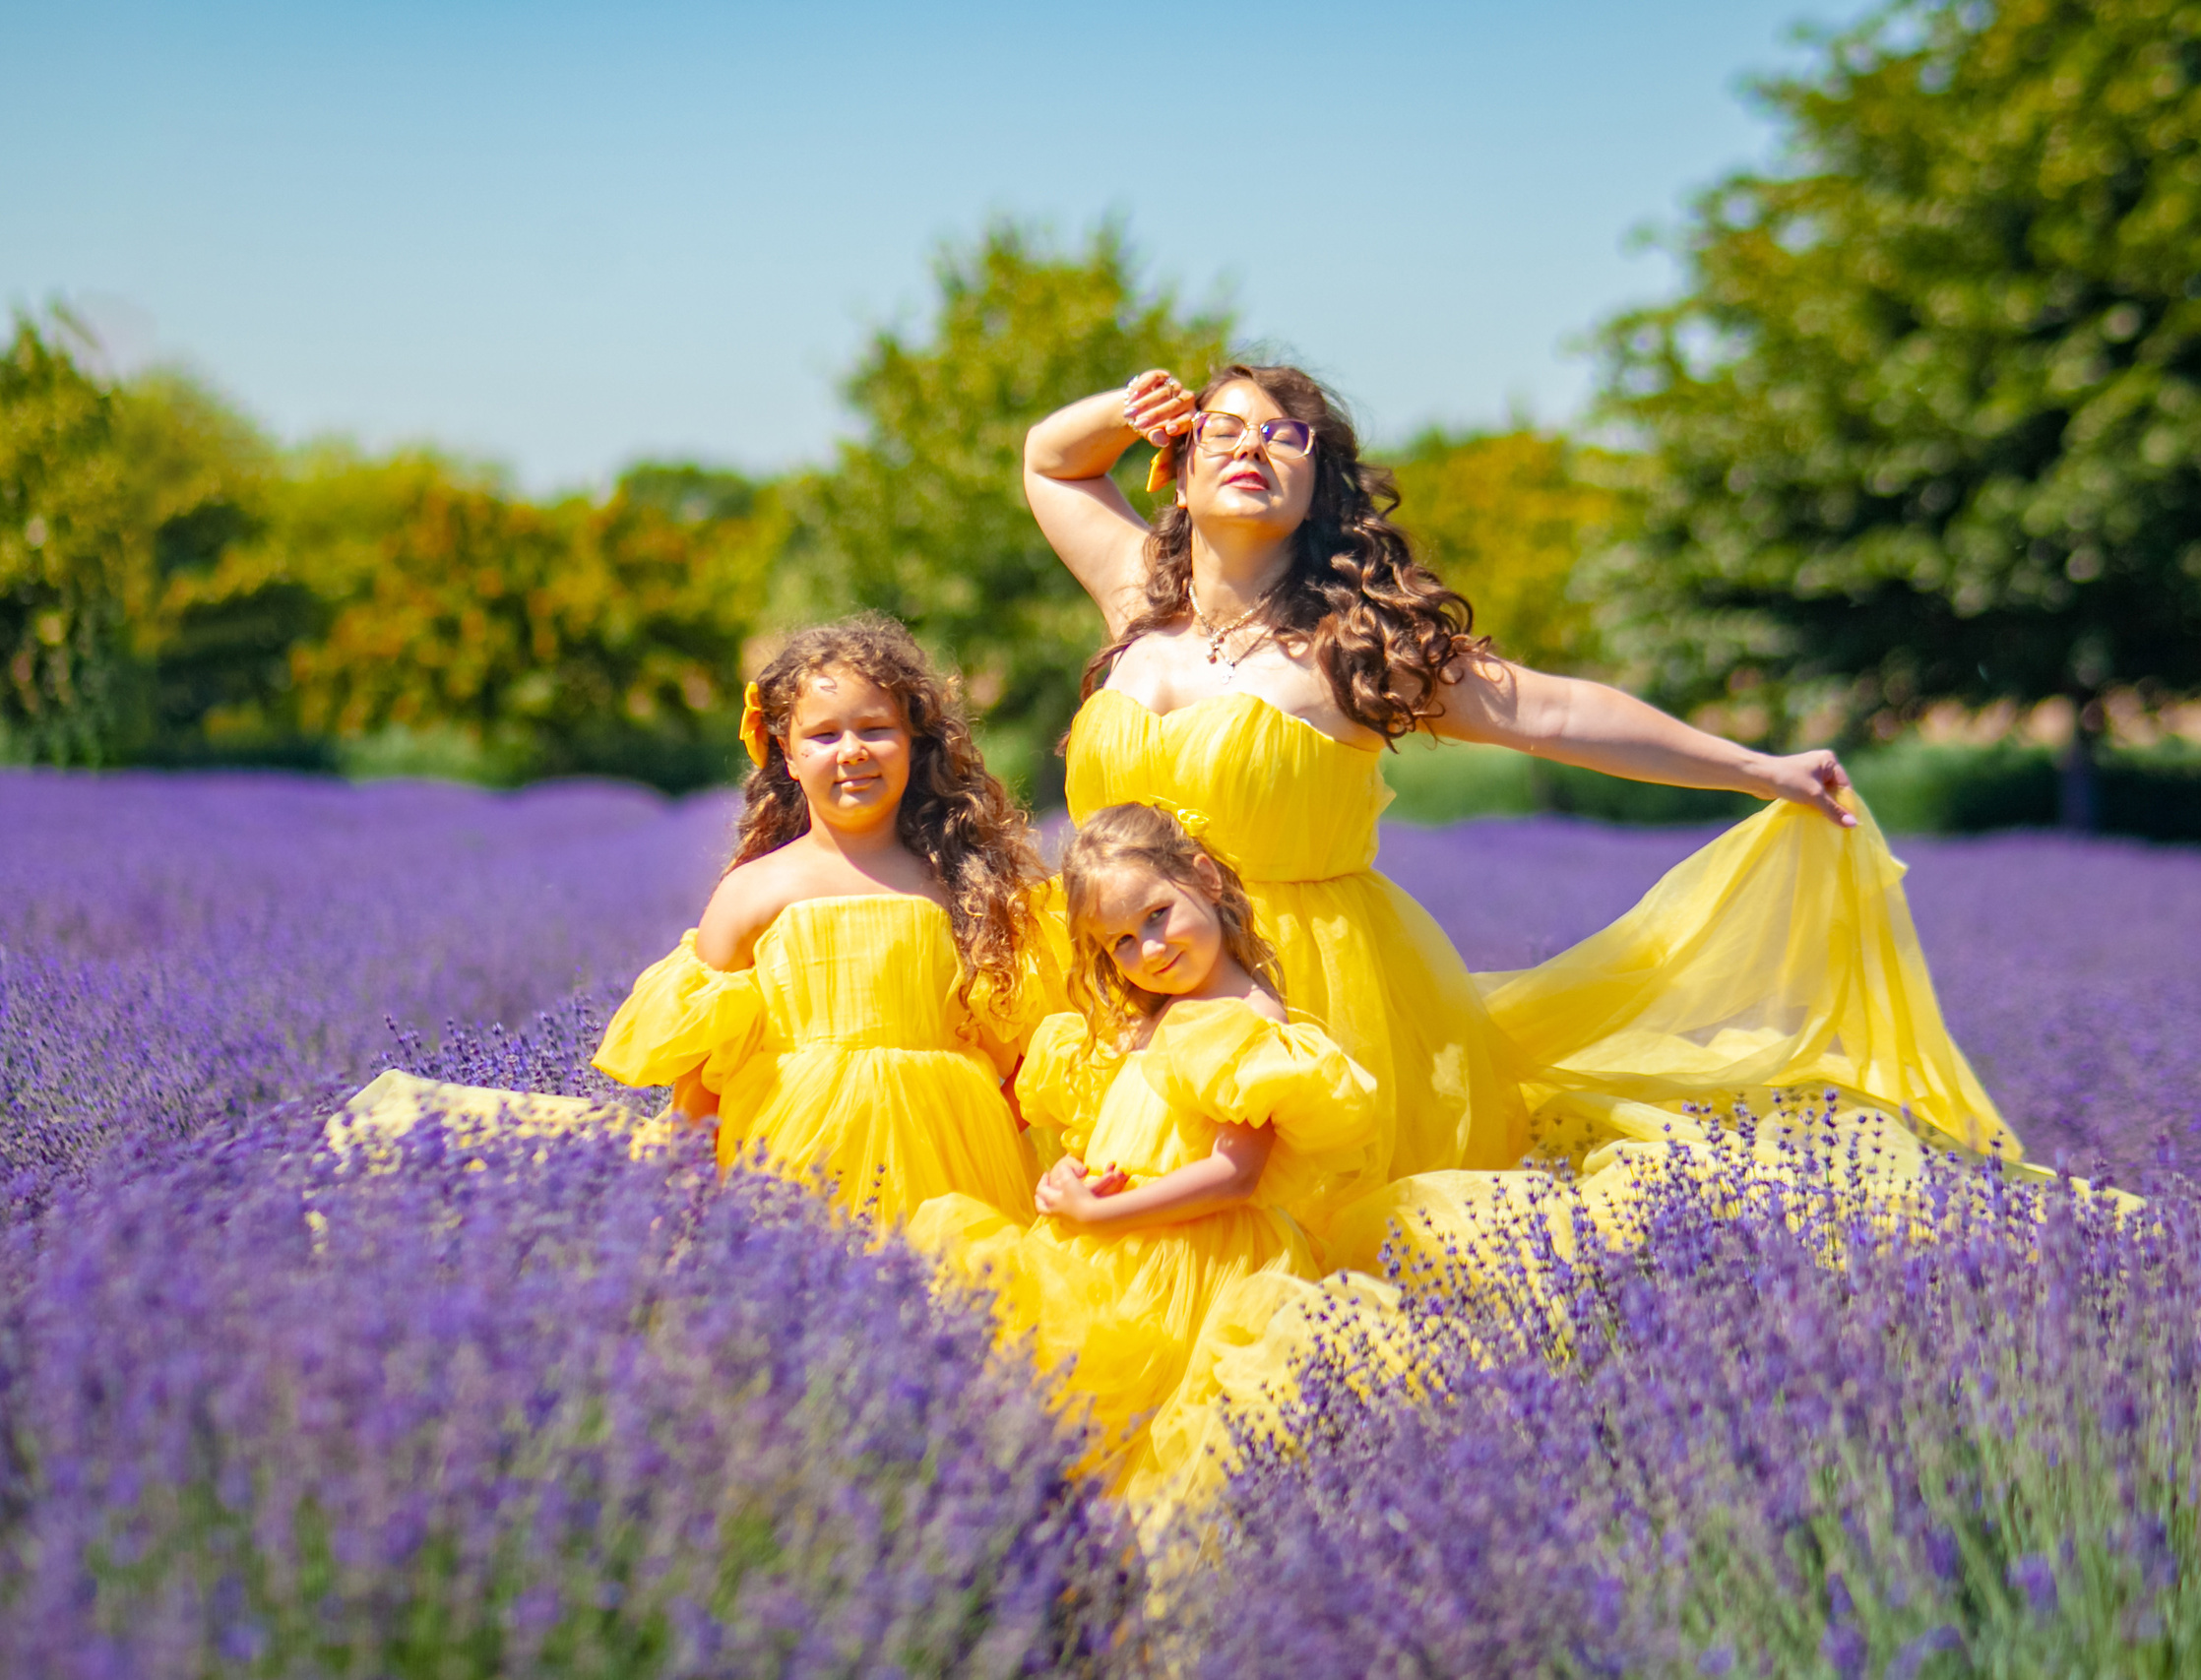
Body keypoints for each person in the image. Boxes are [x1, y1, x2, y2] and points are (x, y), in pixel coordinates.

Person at [1019, 362, 2027, 1263]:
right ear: (1179, 468)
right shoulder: (1134, 602)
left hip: (1302, 995)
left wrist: (1756, 768)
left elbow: (1556, 713)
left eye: (1287, 437)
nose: (1254, 447)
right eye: (1225, 428)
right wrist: (1125, 408)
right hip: (1121, 976)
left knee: (1286, 1260)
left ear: (1318, 487)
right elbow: (1051, 463)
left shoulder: (1354, 647)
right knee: (1110, 1243)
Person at [908, 802, 1378, 1502]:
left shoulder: (1245, 1019)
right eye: (1122, 941)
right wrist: (1071, 1176)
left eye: (1158, 915)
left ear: (1205, 878)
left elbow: (1235, 1175)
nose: (1150, 950)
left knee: (1162, 1454)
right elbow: (1115, 1136)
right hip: (1106, 1251)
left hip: (1195, 1264)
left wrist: (1102, 1214)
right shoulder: (1145, 1021)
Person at [590, 615, 1052, 1229]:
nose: (852, 751)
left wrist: (972, 1125)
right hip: (794, 1154)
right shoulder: (752, 892)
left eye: (876, 729)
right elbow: (702, 1076)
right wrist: (688, 1194)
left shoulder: (962, 885)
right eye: (824, 734)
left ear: (914, 742)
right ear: (788, 753)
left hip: (950, 1164)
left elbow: (1019, 1061)